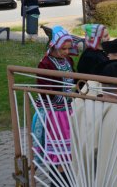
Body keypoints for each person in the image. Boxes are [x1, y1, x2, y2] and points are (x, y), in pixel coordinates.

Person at [33, 26, 76, 185]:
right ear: (54, 46)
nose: (66, 52)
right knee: (59, 152)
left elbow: (75, 78)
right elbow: (44, 89)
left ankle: (66, 178)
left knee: (69, 150)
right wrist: (62, 95)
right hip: (53, 113)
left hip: (67, 109)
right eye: (62, 49)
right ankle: (58, 181)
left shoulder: (68, 60)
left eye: (68, 48)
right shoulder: (45, 64)